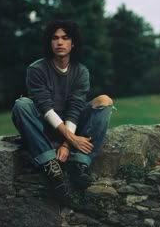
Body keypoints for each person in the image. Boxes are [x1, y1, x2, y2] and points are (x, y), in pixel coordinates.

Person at [12, 20, 113, 199]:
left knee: (104, 100)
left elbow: (75, 107)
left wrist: (68, 144)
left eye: (65, 38)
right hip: (44, 127)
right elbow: (46, 108)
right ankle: (51, 166)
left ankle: (79, 164)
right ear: (49, 43)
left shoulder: (81, 72)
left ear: (73, 43)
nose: (60, 42)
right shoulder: (36, 69)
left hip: (71, 127)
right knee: (22, 105)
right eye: (55, 38)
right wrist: (72, 139)